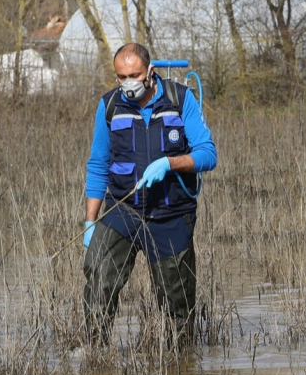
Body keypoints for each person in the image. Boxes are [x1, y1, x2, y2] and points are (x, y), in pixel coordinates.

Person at [82, 43, 217, 345]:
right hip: (122, 209)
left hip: (169, 214)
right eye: (120, 76)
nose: (127, 82)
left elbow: (208, 155)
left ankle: (180, 369)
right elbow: (98, 164)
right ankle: (94, 358)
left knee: (177, 303)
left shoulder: (181, 100)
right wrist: (90, 222)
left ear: (150, 72)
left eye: (134, 74)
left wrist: (170, 163)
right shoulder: (110, 106)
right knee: (98, 278)